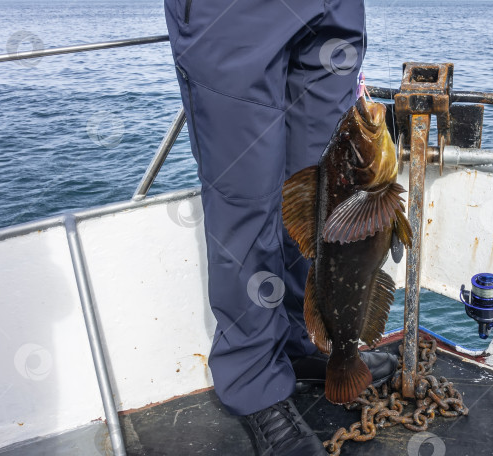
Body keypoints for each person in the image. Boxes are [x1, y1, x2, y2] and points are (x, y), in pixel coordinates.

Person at [164, 0, 397, 454]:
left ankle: (296, 341)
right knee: (244, 201)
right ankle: (253, 379)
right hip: (235, 13)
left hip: (335, 12)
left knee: (322, 196)